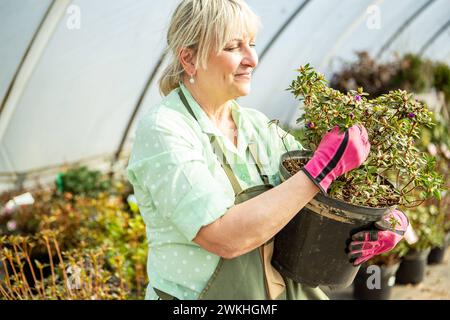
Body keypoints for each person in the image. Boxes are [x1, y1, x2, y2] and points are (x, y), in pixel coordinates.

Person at [126, 0, 408, 300]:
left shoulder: (258, 128)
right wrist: (319, 172)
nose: (252, 59)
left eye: (252, 44)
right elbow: (223, 237)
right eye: (234, 47)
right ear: (189, 59)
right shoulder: (166, 130)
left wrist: (383, 220)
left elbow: (329, 198)